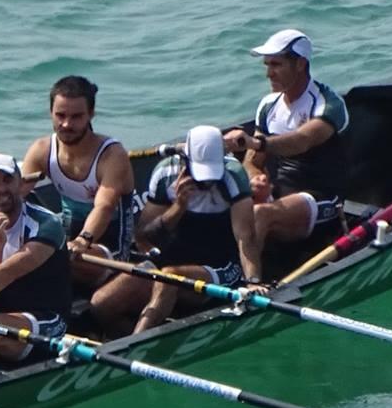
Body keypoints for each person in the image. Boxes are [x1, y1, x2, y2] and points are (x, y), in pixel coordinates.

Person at [92, 125, 266, 334]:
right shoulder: (166, 173)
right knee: (101, 304)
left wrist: (253, 282)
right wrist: (178, 207)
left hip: (221, 265)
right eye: (202, 173)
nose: (208, 181)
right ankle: (136, 343)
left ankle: (137, 345)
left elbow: (245, 236)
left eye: (212, 173)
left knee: (170, 278)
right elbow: (144, 236)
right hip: (173, 258)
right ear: (186, 159)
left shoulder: (233, 175)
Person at [224, 30, 353, 246]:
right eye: (267, 65)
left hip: (325, 201)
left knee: (260, 215)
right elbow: (253, 161)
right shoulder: (268, 106)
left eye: (276, 65)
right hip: (282, 195)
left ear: (300, 64)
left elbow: (302, 141)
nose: (269, 74)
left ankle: (252, 279)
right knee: (227, 205)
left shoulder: (327, 105)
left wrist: (256, 142)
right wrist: (257, 179)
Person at [0, 153, 70, 366]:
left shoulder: (46, 224)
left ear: (20, 183)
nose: (2, 189)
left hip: (48, 319)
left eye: (8, 180)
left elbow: (8, 273)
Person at [20, 75, 139, 273]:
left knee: (50, 261)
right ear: (50, 113)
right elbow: (17, 195)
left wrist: (83, 240)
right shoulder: (42, 150)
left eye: (76, 117)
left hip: (110, 245)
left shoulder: (112, 155)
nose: (66, 124)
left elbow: (104, 206)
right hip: (68, 239)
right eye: (60, 115)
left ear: (91, 114)